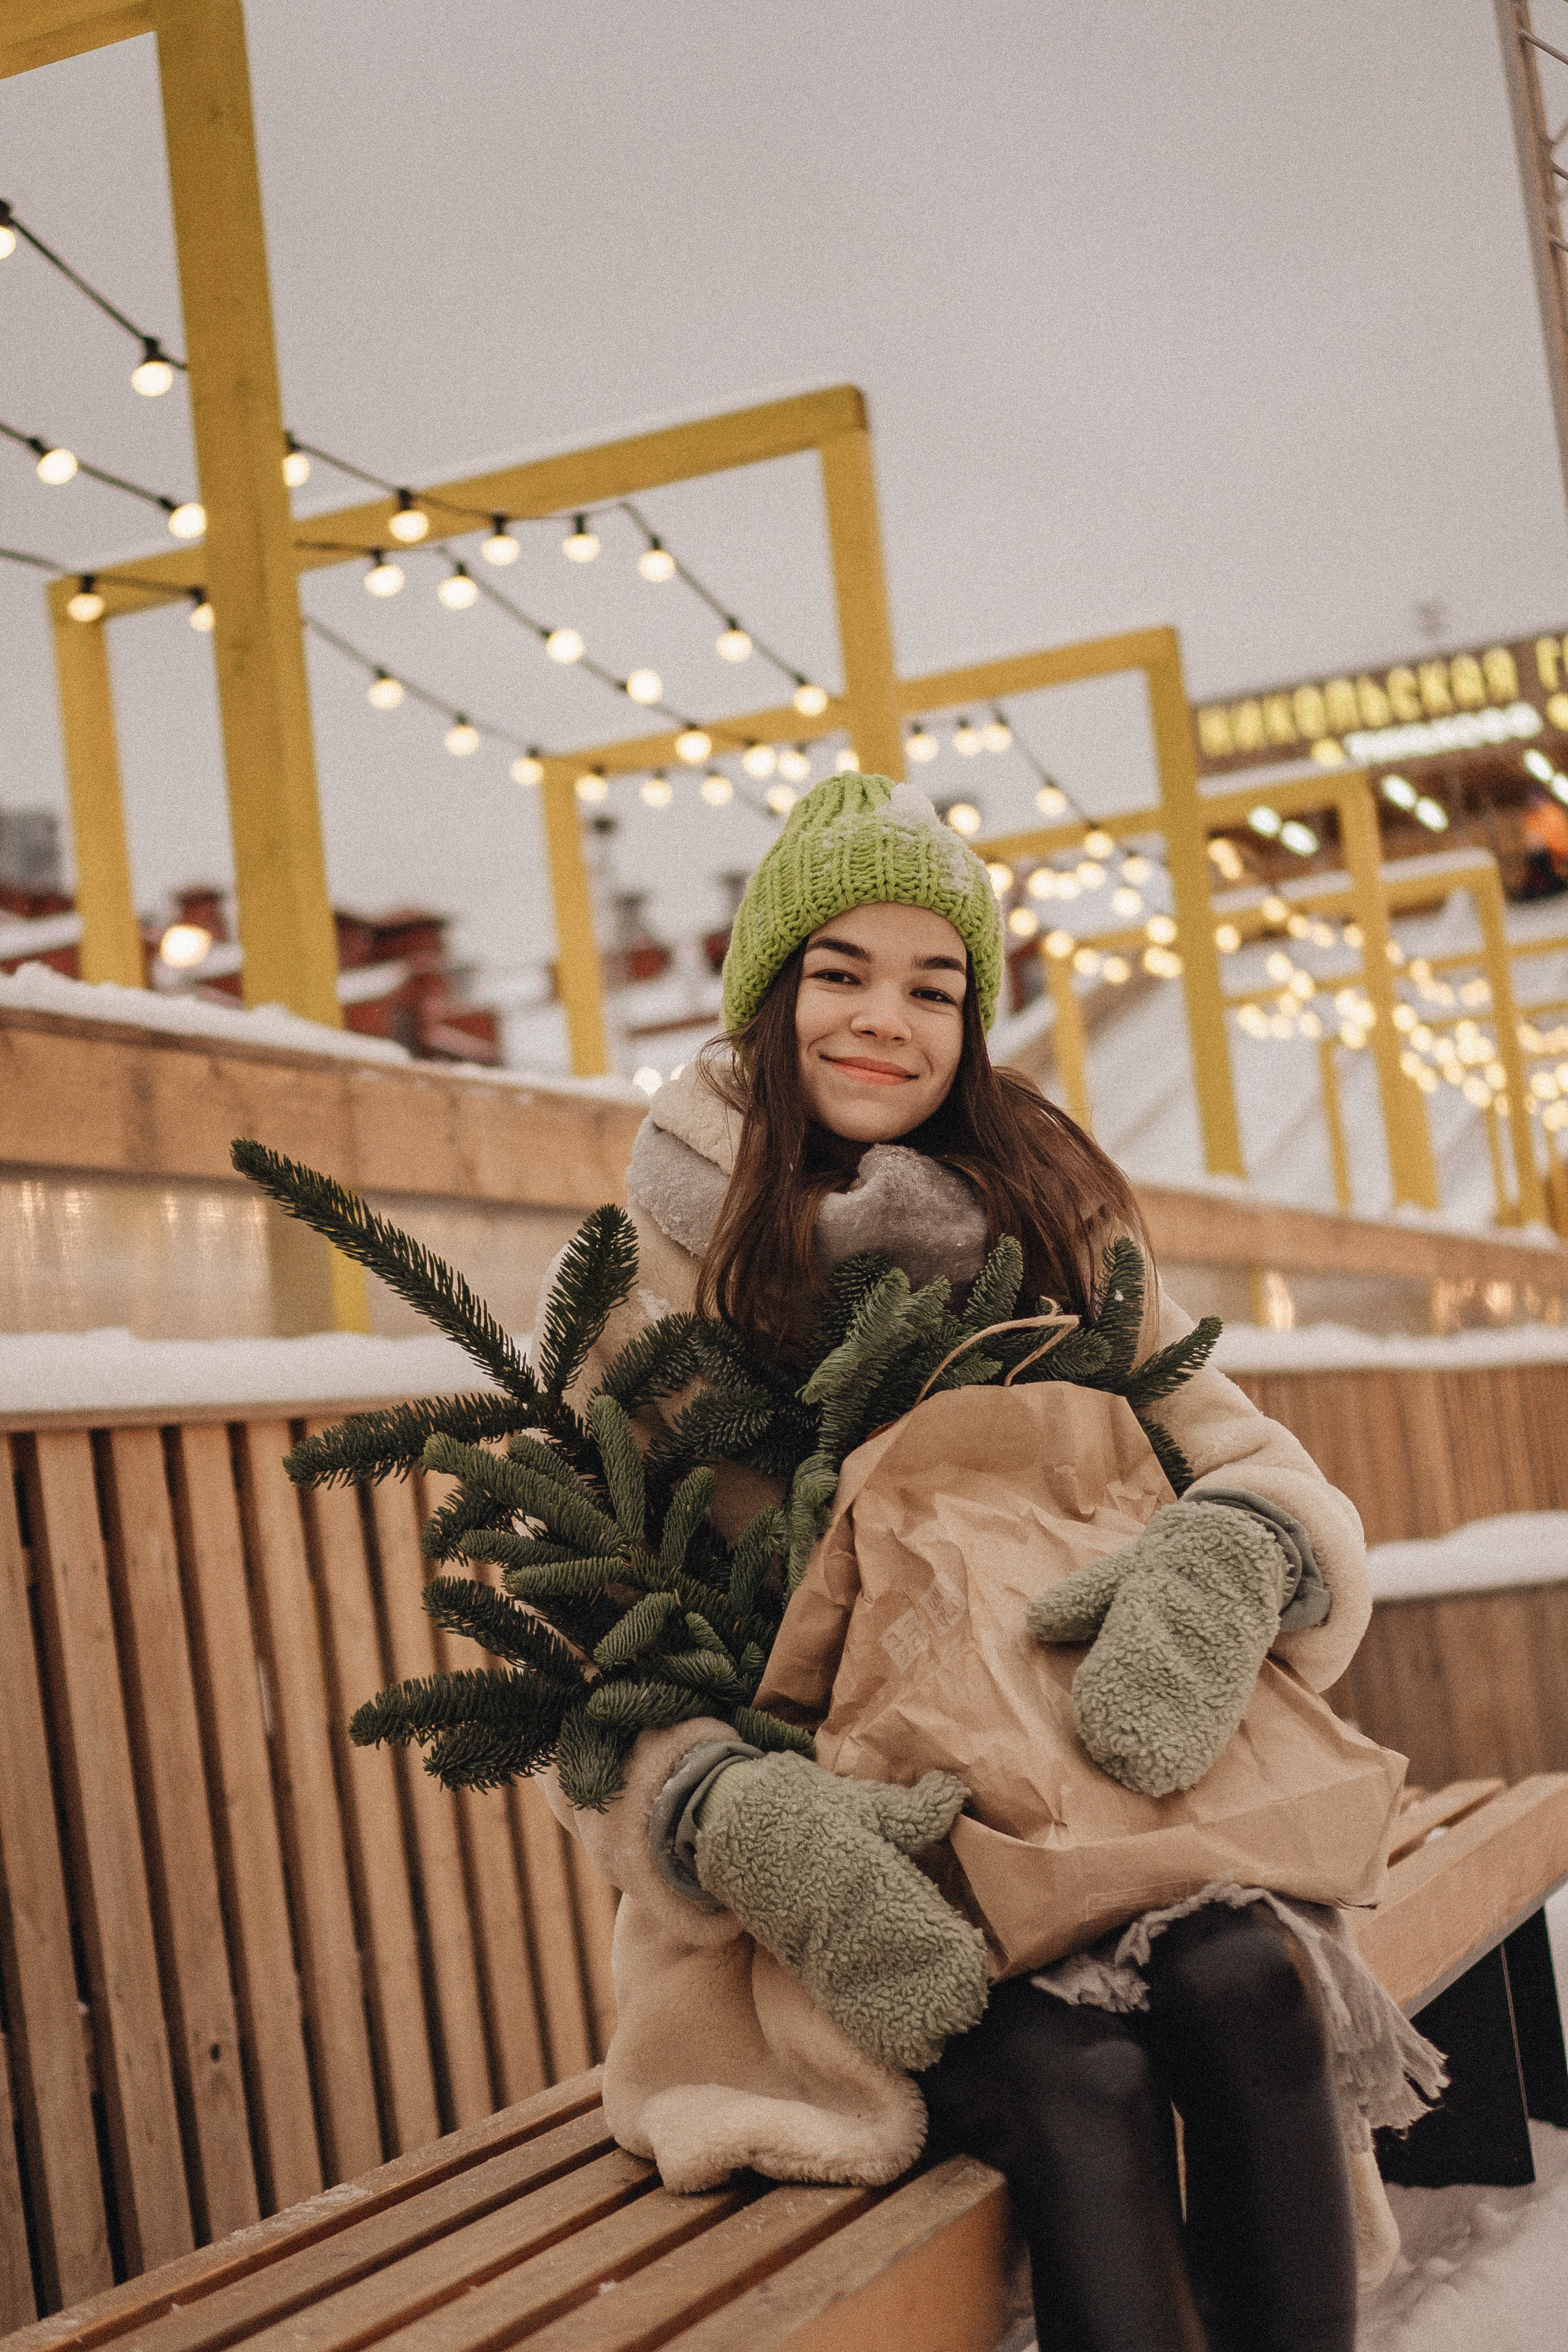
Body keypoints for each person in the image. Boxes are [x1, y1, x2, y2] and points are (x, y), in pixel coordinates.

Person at [543, 772, 1441, 2352]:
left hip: (1099, 1823)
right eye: (840, 973)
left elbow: (1243, 1456)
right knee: (1085, 2081)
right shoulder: (645, 1278)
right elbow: (584, 1641)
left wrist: (1236, 1550)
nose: (886, 1019)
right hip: (850, 1895)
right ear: (767, 998)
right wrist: (727, 1811)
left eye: (935, 985)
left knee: (1248, 1985)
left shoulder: (1054, 1218)